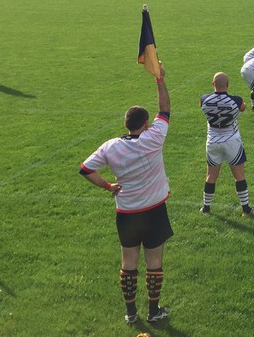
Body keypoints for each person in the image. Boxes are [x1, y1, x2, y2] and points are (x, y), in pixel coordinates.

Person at [79, 63, 172, 325]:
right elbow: (165, 109)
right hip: (154, 210)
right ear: (145, 123)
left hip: (127, 213)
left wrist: (108, 186)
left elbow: (85, 169)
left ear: (126, 124)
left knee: (128, 262)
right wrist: (159, 78)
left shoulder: (110, 147)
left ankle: (131, 313)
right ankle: (154, 311)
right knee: (154, 262)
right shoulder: (153, 138)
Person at [199, 72, 254, 216]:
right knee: (239, 176)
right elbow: (243, 108)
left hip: (212, 141)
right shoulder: (236, 100)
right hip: (232, 141)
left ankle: (206, 208)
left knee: (210, 177)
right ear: (228, 85)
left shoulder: (204, 99)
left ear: (213, 84)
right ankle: (246, 209)